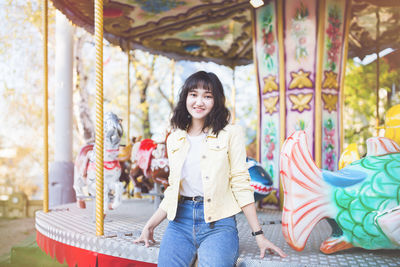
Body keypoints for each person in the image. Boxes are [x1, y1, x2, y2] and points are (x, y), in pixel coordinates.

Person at [134, 71, 286, 266]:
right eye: (193, 94)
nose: (199, 101)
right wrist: (150, 225)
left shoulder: (231, 133)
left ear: (216, 101)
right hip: (180, 221)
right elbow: (173, 189)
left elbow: (241, 183)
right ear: (185, 98)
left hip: (219, 224)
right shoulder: (175, 139)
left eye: (207, 96)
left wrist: (259, 235)